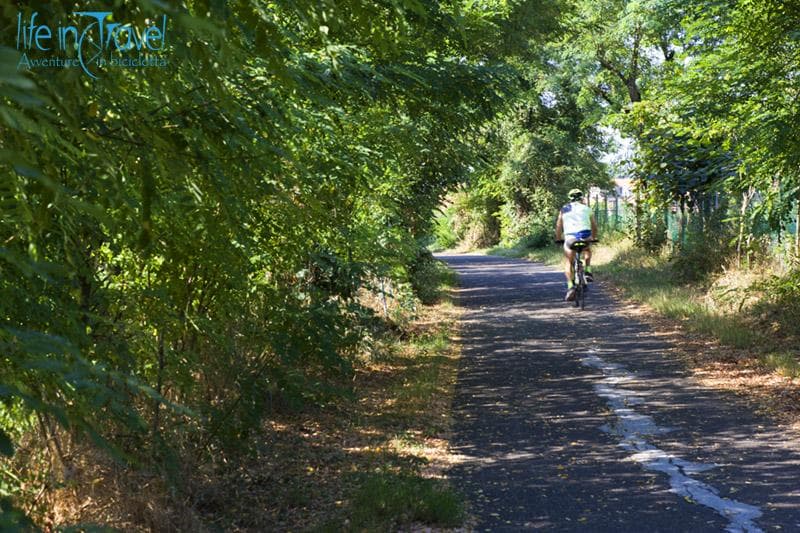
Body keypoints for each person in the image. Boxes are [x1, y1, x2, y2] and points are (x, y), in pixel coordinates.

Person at [555, 189, 598, 301]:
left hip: (570, 238)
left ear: (569, 198)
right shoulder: (587, 208)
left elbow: (559, 226)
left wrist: (558, 239)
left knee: (569, 261)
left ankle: (570, 287)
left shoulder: (564, 209)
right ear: (581, 197)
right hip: (585, 237)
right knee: (587, 250)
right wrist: (593, 238)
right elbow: (594, 226)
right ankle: (588, 270)